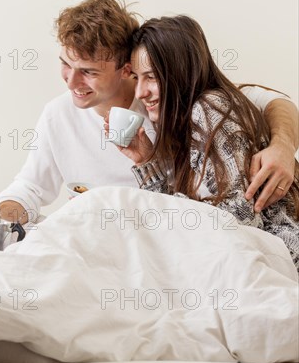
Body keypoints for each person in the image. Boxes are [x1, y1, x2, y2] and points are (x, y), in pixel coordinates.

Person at [0, 0, 299, 225]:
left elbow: (272, 102)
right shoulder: (58, 115)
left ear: (125, 69)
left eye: (88, 71)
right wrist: (2, 220)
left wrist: (284, 145)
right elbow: (28, 187)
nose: (71, 81)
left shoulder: (183, 102)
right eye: (65, 64)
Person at [116, 15, 299, 270]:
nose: (140, 92)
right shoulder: (188, 121)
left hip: (279, 260)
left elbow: (241, 218)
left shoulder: (210, 107)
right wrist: (146, 161)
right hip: (247, 260)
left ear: (181, 72)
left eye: (152, 77)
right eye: (137, 78)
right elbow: (185, 226)